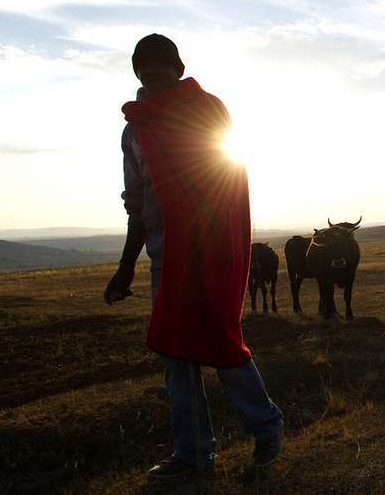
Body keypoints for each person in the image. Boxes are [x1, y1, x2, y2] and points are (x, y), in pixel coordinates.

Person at [104, 34, 283, 480]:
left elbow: (223, 178)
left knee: (218, 338)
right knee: (174, 351)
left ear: (178, 69)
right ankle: (193, 454)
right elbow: (137, 200)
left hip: (208, 251)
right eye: (143, 72)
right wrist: (127, 264)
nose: (152, 79)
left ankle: (266, 426)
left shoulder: (206, 110)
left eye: (160, 70)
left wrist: (214, 243)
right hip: (164, 256)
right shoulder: (135, 129)